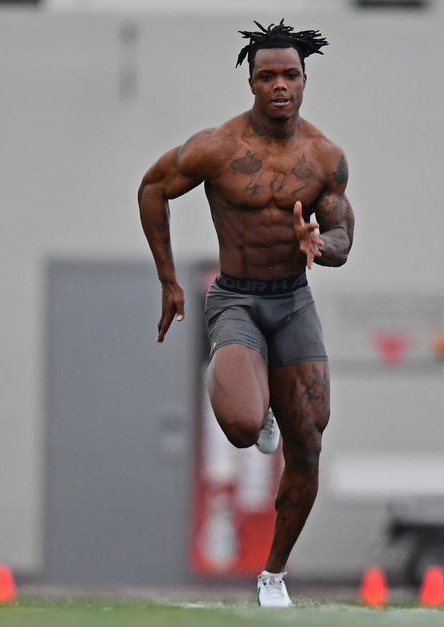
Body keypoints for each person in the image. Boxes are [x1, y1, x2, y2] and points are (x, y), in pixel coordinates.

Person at [138, 20, 354, 607]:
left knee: (308, 440)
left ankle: (273, 575)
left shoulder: (325, 157)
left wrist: (319, 245)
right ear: (252, 83)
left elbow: (341, 237)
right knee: (239, 429)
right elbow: (152, 188)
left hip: (293, 301)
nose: (279, 85)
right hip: (235, 296)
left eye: (290, 75)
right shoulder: (217, 148)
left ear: (305, 80)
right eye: (267, 76)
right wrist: (168, 279)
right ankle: (257, 408)